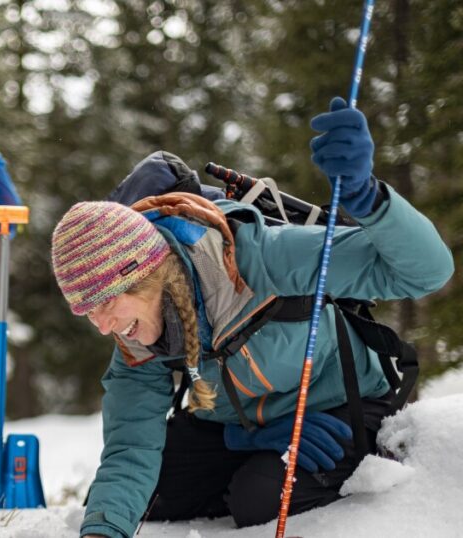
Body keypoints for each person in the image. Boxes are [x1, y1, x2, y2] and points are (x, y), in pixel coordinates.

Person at [51, 98, 453, 538]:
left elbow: (425, 272)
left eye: (105, 303)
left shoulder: (257, 258)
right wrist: (102, 533)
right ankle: (251, 458)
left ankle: (330, 469)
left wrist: (369, 199)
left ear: (143, 274)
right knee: (132, 497)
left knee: (260, 498)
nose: (102, 325)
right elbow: (131, 447)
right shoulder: (138, 337)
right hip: (240, 427)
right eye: (86, 311)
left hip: (334, 409)